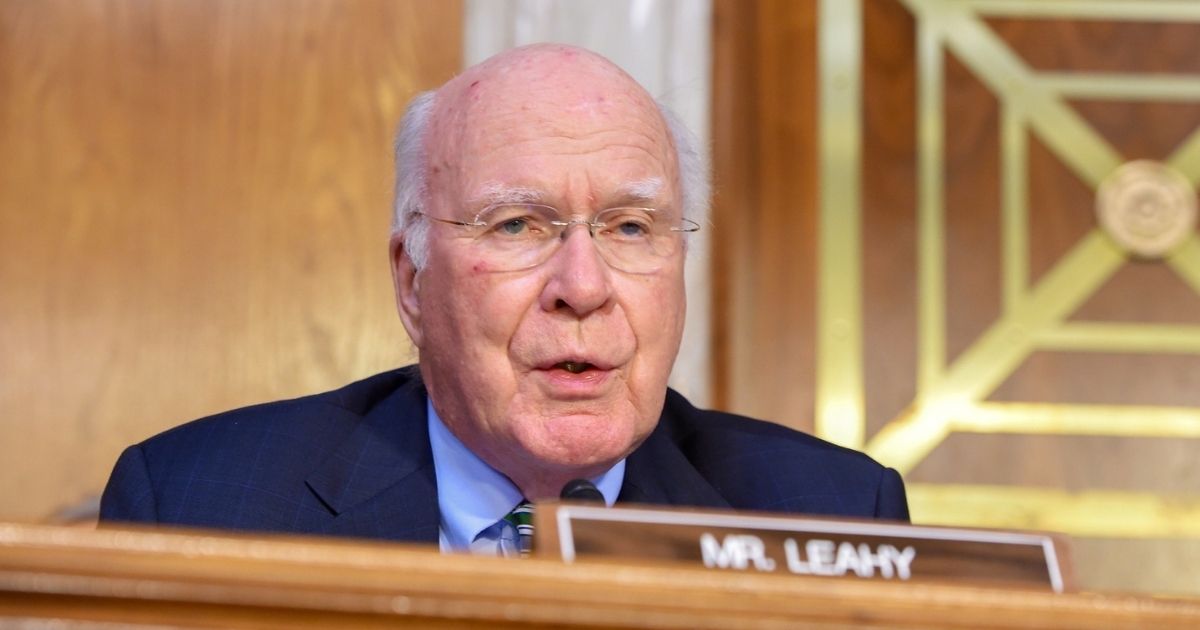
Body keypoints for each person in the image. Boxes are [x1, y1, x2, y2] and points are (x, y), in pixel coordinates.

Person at [100, 44, 908, 554]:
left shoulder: (832, 516)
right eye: (518, 224)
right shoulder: (199, 507)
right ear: (412, 281)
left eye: (630, 228)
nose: (583, 289)